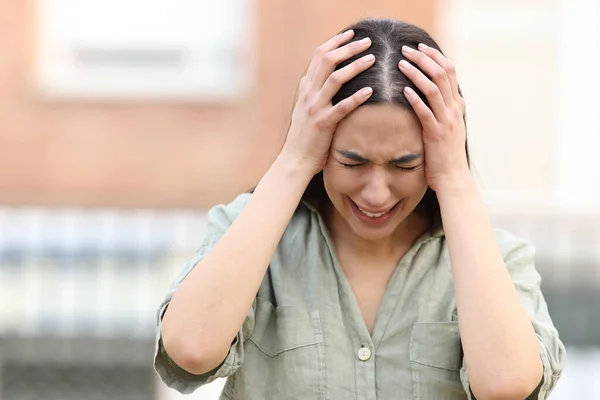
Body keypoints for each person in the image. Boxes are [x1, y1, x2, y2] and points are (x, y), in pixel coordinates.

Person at [153, 18, 566, 399]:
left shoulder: (497, 259)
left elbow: (506, 386)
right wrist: (294, 158)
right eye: (352, 163)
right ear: (320, 148)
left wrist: (456, 179)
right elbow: (191, 349)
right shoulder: (248, 231)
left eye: (404, 164)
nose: (376, 194)